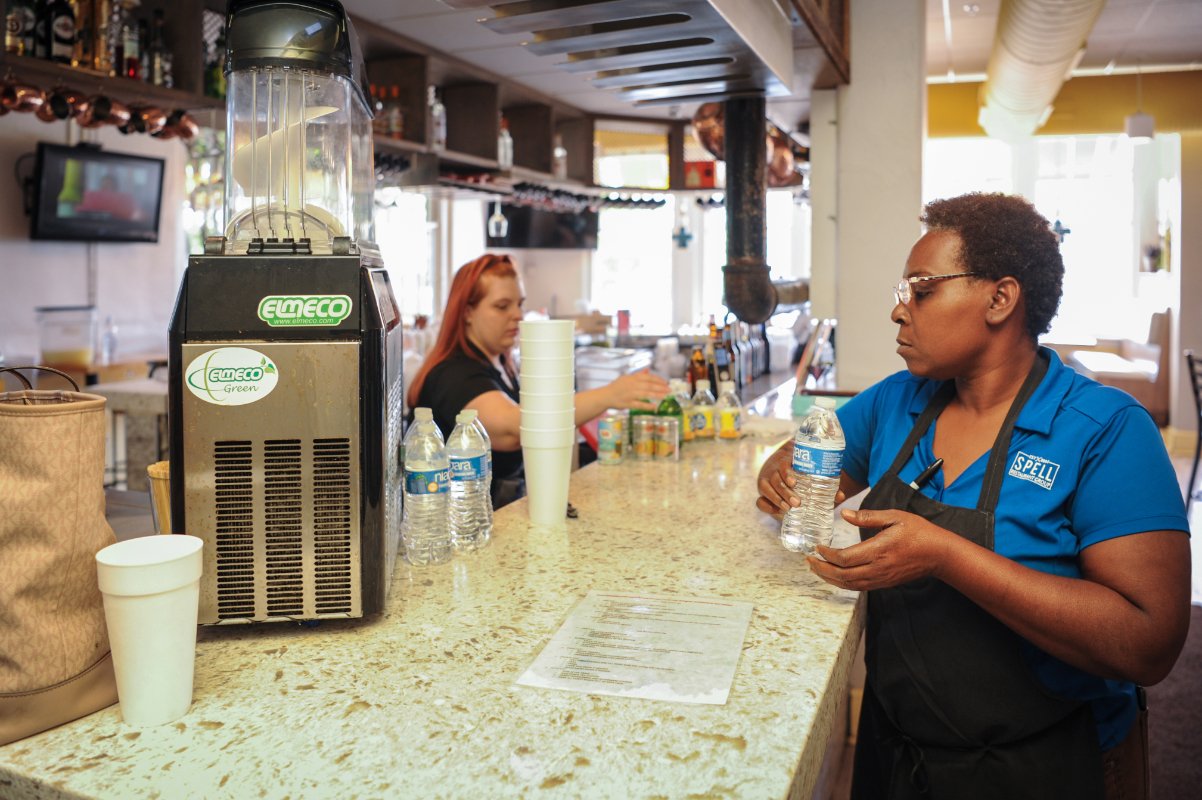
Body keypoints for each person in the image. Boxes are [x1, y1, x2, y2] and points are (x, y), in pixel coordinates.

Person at [756, 193, 1191, 799]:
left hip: (1044, 766)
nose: (898, 311)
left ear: (1000, 298)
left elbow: (1148, 643)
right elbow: (807, 455)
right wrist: (779, 471)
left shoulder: (1105, 429)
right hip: (896, 750)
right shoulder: (897, 399)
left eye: (922, 289)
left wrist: (946, 555)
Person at [408, 253, 669, 508]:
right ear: (467, 313)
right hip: (470, 526)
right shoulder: (454, 375)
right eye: (502, 306)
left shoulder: (499, 364)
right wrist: (610, 394)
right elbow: (516, 427)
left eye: (519, 304)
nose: (517, 315)